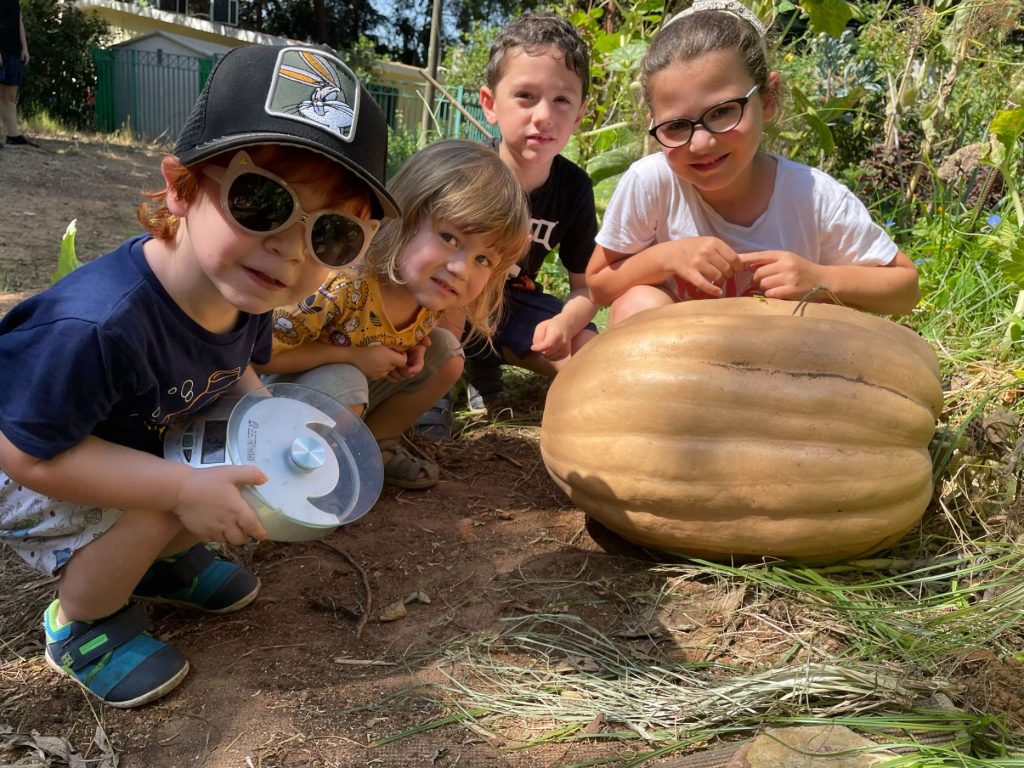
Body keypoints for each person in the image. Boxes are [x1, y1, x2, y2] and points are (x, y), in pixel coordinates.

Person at [0, 43, 399, 708]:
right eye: (263, 203)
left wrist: (264, 421)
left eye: (331, 236)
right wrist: (178, 489)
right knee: (176, 497)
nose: (292, 249)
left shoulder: (245, 291)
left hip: (121, 441)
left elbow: (236, 363)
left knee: (231, 466)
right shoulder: (102, 326)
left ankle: (152, 560)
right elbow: (27, 453)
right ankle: (81, 622)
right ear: (183, 186)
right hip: (35, 459)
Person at [586, 0, 920, 327]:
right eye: (676, 126)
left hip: (788, 363)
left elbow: (905, 290)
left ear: (767, 99)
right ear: (654, 124)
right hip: (681, 366)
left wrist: (820, 278)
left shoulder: (813, 195)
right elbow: (599, 284)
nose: (701, 143)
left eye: (722, 112)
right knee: (637, 304)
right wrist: (666, 258)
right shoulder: (651, 182)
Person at [259, 139, 530, 489]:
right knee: (348, 379)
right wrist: (354, 357)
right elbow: (257, 357)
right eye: (449, 238)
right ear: (404, 218)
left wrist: (413, 347)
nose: (462, 268)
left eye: (483, 260)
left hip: (348, 398)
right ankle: (295, 467)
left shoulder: (430, 295)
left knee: (447, 355)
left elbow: (388, 336)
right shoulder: (340, 284)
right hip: (274, 398)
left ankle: (369, 447)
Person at [431, 13, 600, 426]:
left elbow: (586, 287)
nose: (544, 115)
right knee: (450, 293)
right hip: (447, 295)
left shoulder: (574, 188)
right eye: (526, 95)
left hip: (513, 303)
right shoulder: (467, 171)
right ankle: (432, 389)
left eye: (562, 100)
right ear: (490, 104)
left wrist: (564, 323)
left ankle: (486, 363)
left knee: (592, 352)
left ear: (579, 115)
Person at [0, 0, 35, 146]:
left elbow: (18, 20)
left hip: (13, 49)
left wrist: (24, 48)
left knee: (10, 94)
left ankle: (14, 135)